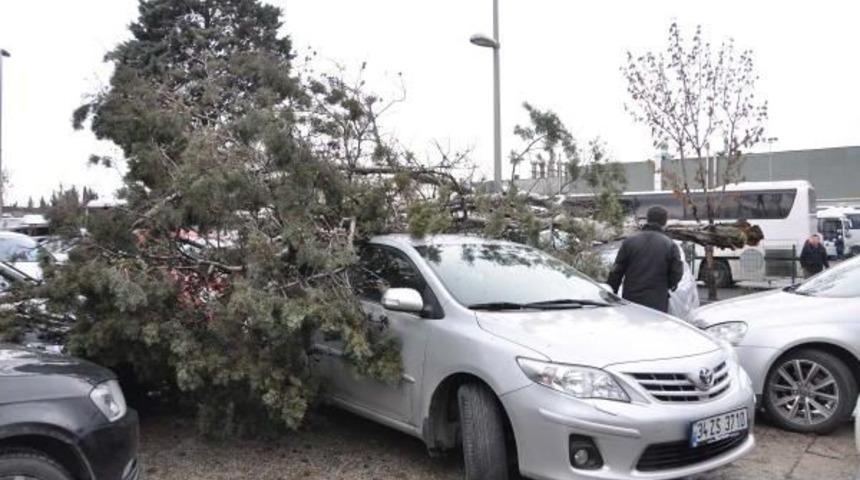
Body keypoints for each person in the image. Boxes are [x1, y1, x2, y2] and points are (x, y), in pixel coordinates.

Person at [607, 206, 684, 313]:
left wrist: (611, 294)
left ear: (648, 219)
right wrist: (668, 285)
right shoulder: (670, 245)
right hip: (657, 302)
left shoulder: (629, 242)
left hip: (631, 300)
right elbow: (676, 273)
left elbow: (616, 272)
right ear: (664, 222)